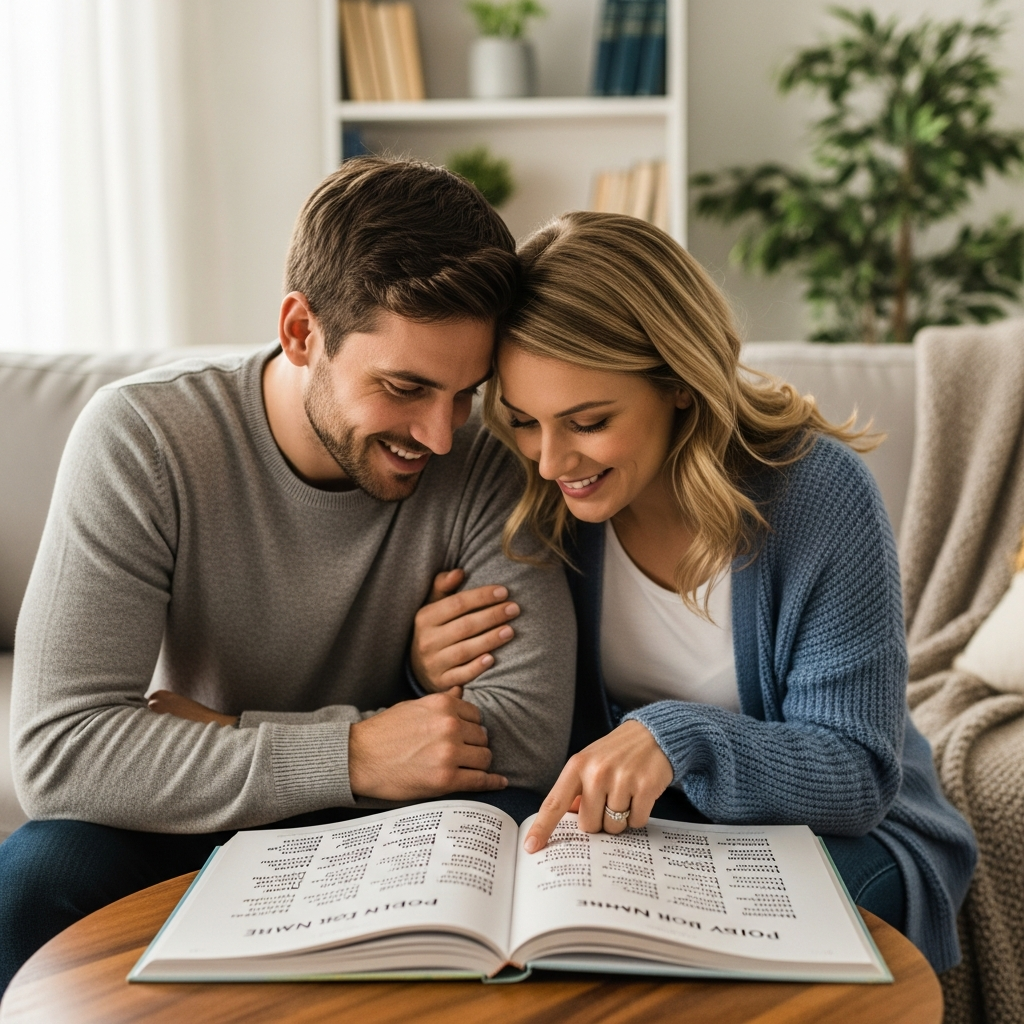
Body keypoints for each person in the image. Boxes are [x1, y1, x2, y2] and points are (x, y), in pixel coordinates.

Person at [0, 157, 576, 991]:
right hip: (206, 812)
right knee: (33, 876)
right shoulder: (145, 439)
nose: (442, 435)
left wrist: (221, 729)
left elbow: (521, 740)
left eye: (464, 394)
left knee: (529, 837)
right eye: (405, 387)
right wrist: (351, 754)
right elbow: (59, 753)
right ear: (302, 332)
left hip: (391, 818)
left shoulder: (483, 462)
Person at [410, 211, 977, 973]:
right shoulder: (534, 496)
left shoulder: (817, 497)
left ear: (678, 382)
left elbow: (858, 774)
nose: (549, 461)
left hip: (840, 832)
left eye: (588, 421)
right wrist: (425, 664)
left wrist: (678, 740)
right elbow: (513, 730)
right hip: (644, 835)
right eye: (524, 422)